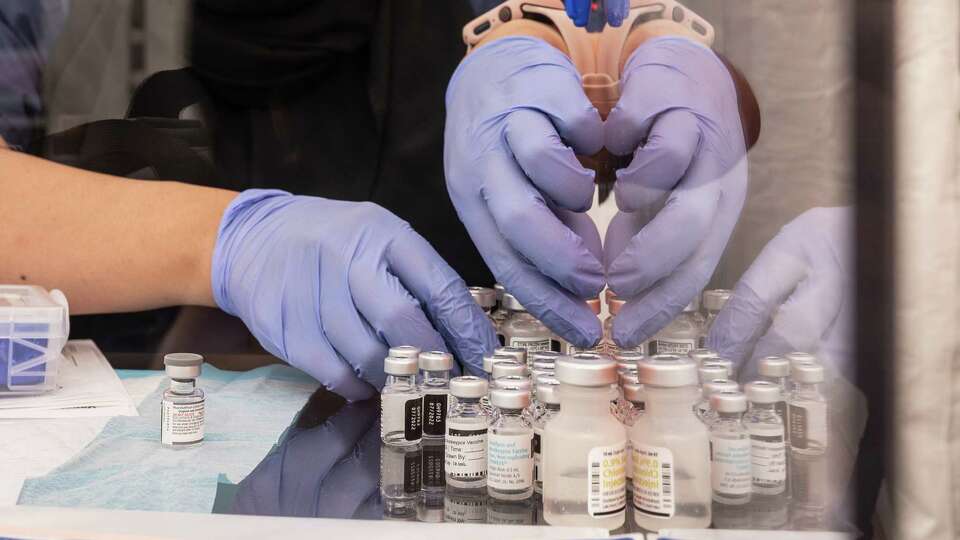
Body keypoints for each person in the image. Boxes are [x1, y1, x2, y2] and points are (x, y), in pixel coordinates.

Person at [0, 0, 756, 400]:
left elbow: (614, 52)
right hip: (117, 340)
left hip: (454, 349)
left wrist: (668, 63)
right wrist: (222, 243)